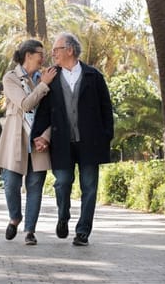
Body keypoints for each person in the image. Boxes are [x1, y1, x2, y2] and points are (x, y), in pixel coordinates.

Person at [31, 32, 114, 246]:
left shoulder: (93, 76)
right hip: (61, 142)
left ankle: (83, 231)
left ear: (70, 50)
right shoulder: (51, 77)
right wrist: (38, 136)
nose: (53, 54)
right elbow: (43, 111)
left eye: (57, 49)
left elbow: (106, 108)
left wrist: (106, 137)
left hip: (90, 142)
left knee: (89, 187)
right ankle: (63, 217)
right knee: (62, 183)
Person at [0, 39, 57, 246]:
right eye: (40, 53)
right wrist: (44, 85)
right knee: (11, 183)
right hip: (15, 139)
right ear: (28, 55)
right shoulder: (11, 78)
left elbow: (54, 113)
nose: (43, 57)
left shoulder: (46, 77)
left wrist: (46, 136)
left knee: (35, 185)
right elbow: (25, 104)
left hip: (38, 140)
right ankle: (15, 218)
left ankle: (30, 230)